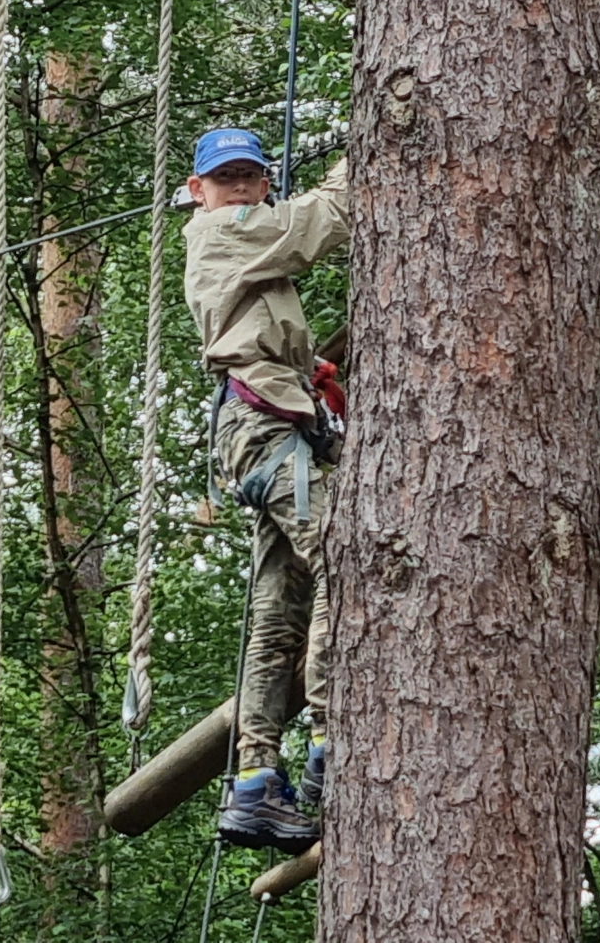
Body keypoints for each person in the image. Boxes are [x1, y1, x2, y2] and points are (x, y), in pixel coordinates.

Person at [182, 126, 348, 854]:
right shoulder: (223, 231)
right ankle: (326, 739)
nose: (242, 190)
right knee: (348, 555)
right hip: (262, 426)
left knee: (279, 610)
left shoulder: (250, 244)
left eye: (252, 177)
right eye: (228, 179)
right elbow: (325, 221)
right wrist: (366, 147)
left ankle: (255, 782)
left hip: (265, 425)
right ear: (199, 192)